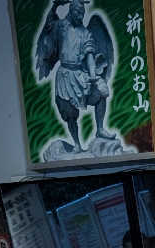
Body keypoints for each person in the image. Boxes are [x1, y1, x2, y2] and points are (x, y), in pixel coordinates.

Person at [36, 0, 115, 154]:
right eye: (77, 12)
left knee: (101, 92)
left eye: (82, 14)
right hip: (65, 75)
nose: (80, 16)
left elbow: (90, 55)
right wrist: (55, 6)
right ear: (71, 10)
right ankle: (77, 144)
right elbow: (48, 25)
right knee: (69, 112)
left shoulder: (85, 33)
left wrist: (92, 75)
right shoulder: (61, 27)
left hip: (81, 73)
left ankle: (99, 128)